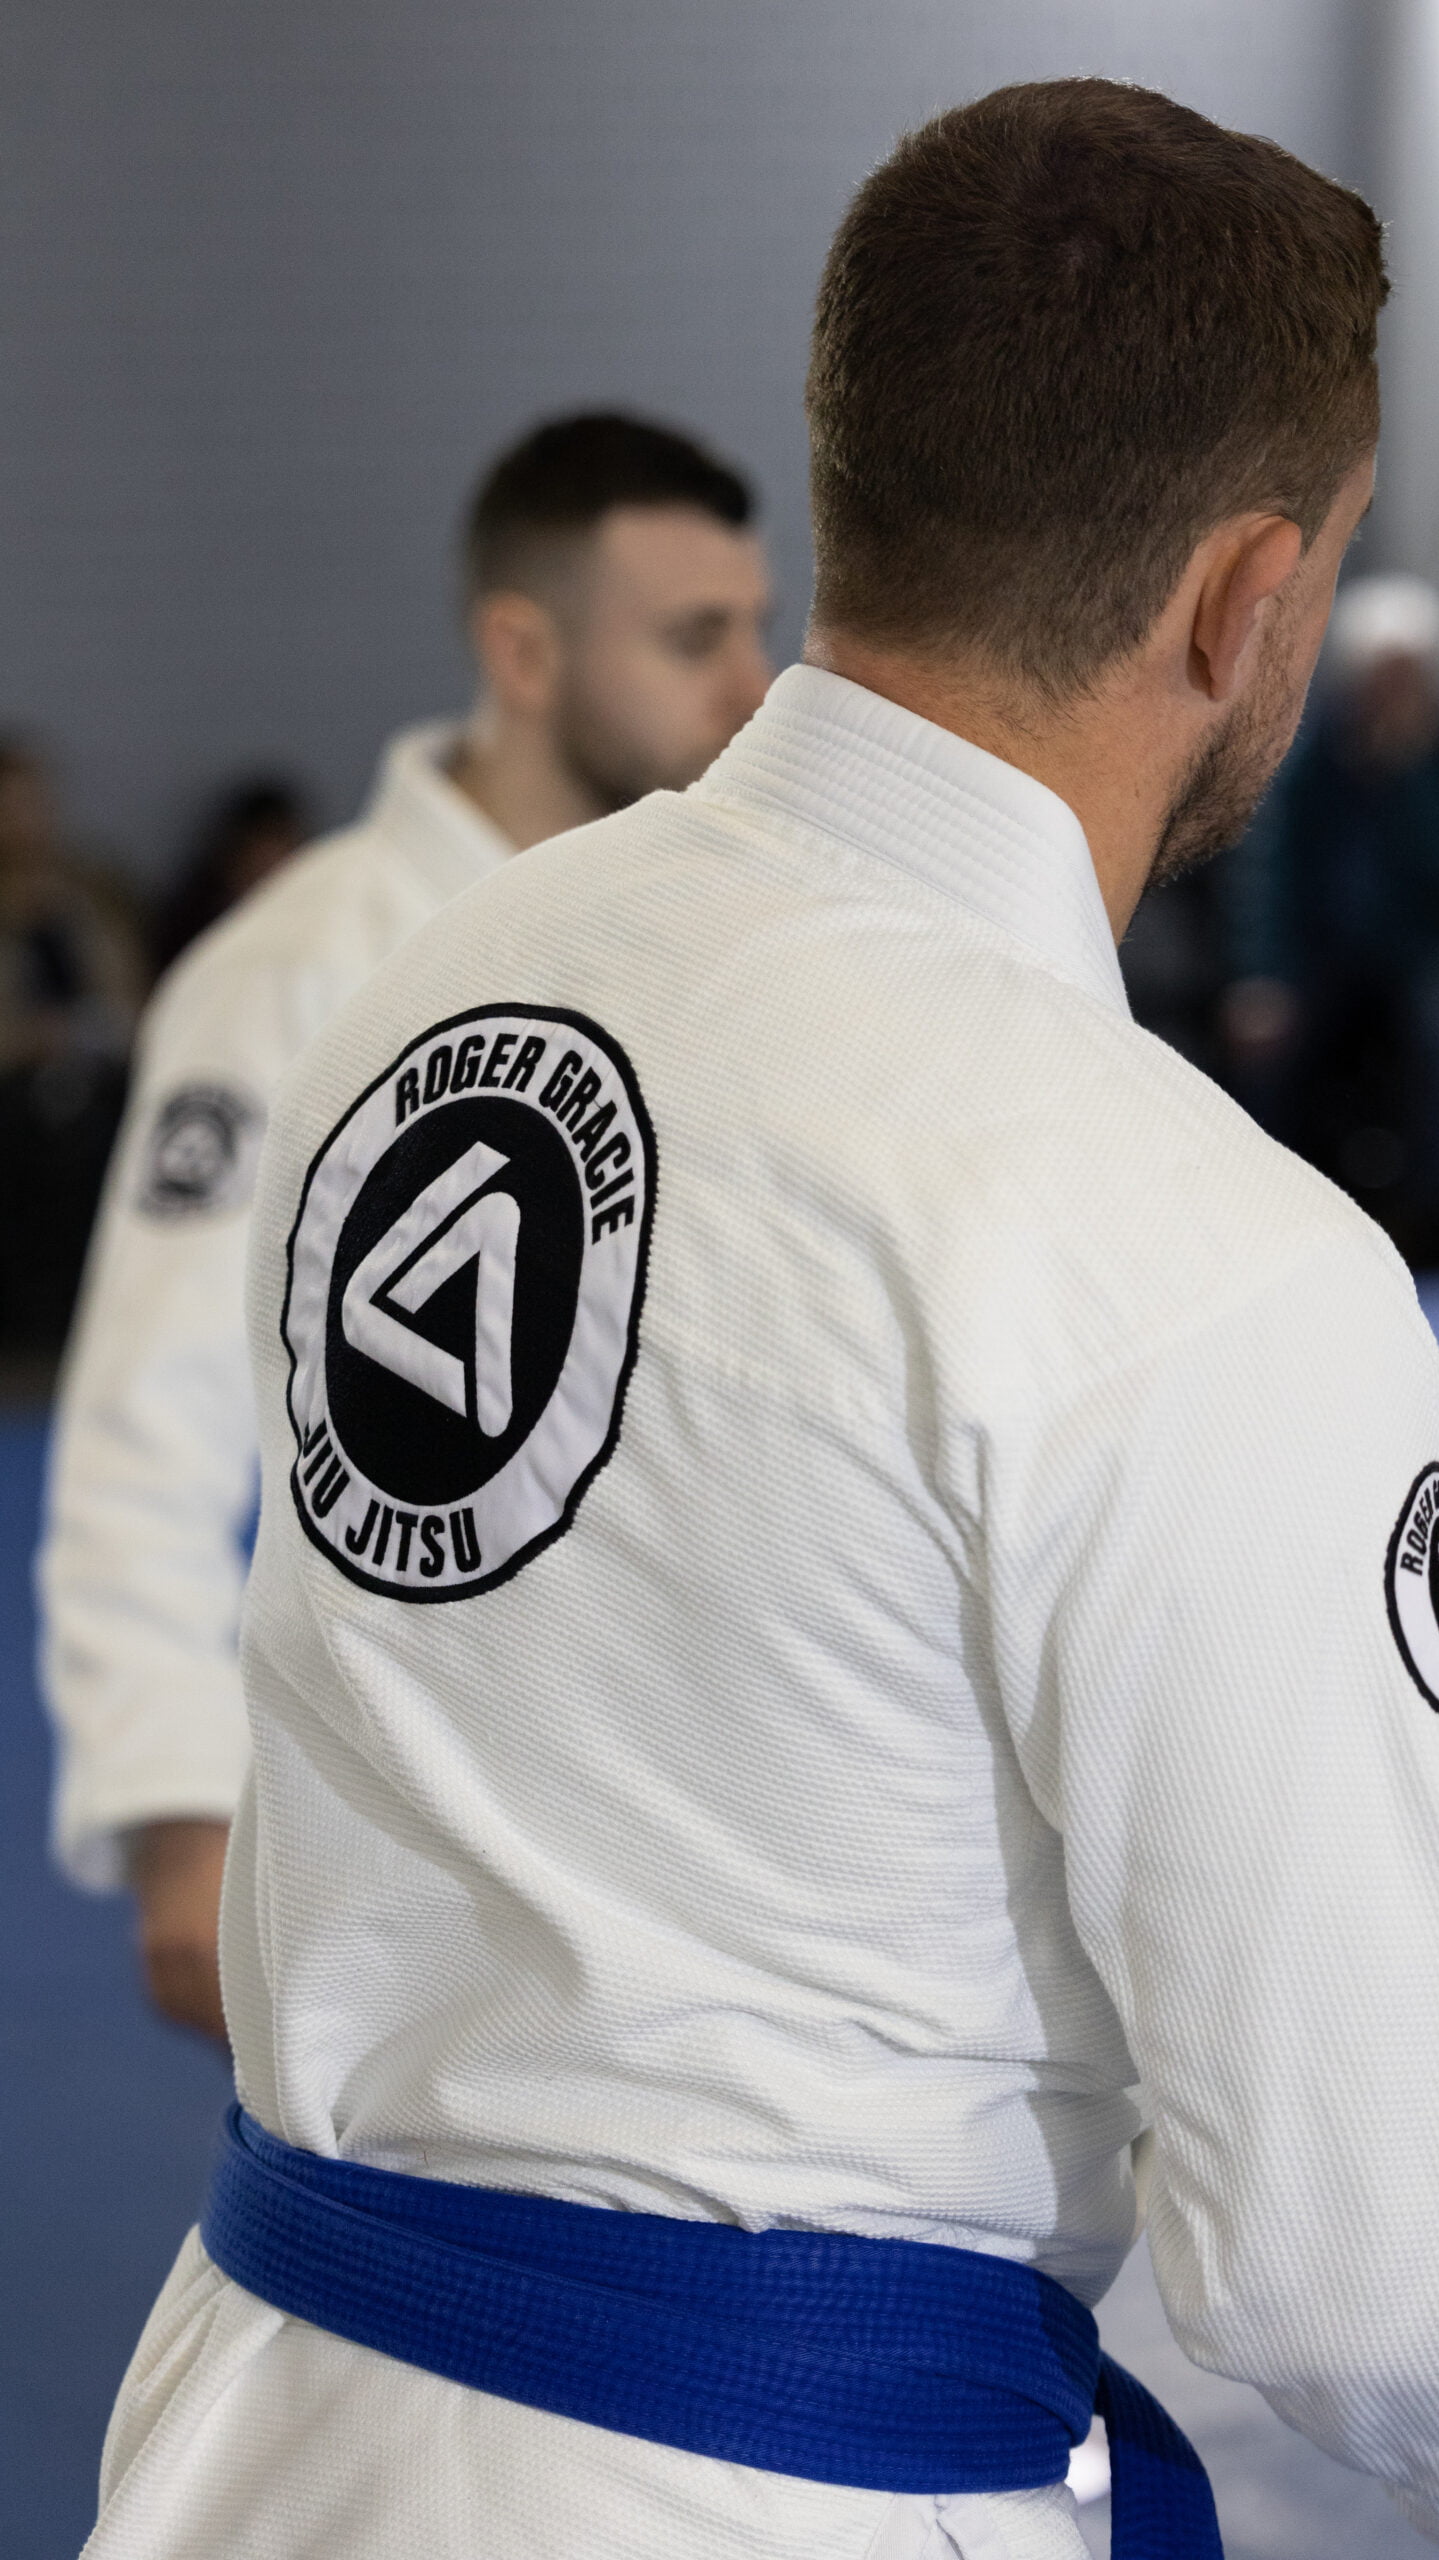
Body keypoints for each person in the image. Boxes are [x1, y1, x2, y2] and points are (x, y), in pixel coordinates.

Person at [85, 83, 1439, 2560]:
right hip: (742, 2496)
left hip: (252, 2433)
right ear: (1247, 598)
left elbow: (757, 1669)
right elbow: (1383, 2290)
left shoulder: (434, 979)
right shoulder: (1192, 1246)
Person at [39, 412, 772, 2038]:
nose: (751, 684)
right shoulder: (298, 970)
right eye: (692, 638)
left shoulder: (728, 941)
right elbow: (150, 1415)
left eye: (753, 627)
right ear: (523, 652)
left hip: (674, 1780)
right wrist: (176, 1807)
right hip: (394, 1807)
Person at [1220, 577, 1439, 1248]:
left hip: (1430, 947)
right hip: (1324, 948)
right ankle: (1263, 1209)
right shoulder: (1315, 755)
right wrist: (1260, 974)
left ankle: (1428, 1214)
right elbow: (1269, 874)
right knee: (1265, 1036)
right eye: (1381, 678)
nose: (1392, 694)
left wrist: (1412, 774)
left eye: (1408, 678)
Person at [0, 739, 144, 1351]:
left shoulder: (89, 891)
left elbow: (132, 994)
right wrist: (32, 1040)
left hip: (100, 1074)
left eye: (33, 804)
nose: (24, 823)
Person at [152, 776, 313, 980]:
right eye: (266, 847)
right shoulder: (194, 923)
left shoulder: (304, 917)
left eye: (288, 845)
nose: (275, 862)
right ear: (239, 851)